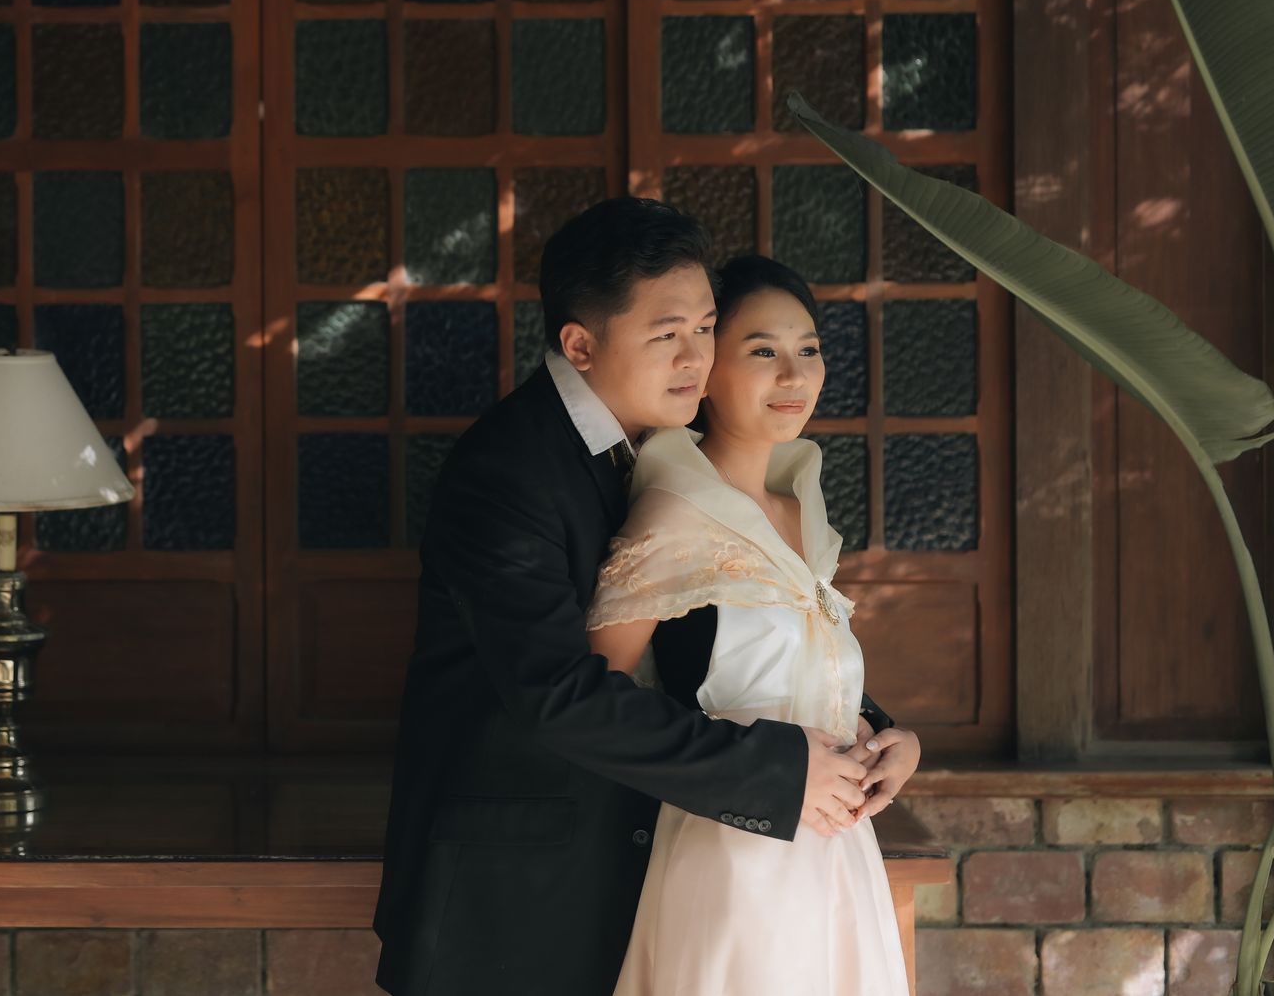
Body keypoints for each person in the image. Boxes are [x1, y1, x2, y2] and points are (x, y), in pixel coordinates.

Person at [372, 199, 891, 996]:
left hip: (649, 878)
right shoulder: (509, 470)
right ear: (580, 344)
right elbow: (557, 692)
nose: (696, 357)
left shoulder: (667, 451)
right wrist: (781, 774)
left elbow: (715, 632)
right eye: (667, 334)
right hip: (512, 897)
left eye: (706, 328)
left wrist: (872, 731)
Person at [587, 253, 922, 994]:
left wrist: (888, 739)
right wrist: (761, 764)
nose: (794, 375)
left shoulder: (803, 512)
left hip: (837, 856)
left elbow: (805, 675)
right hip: (733, 855)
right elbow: (597, 703)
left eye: (809, 349)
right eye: (763, 351)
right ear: (706, 371)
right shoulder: (673, 513)